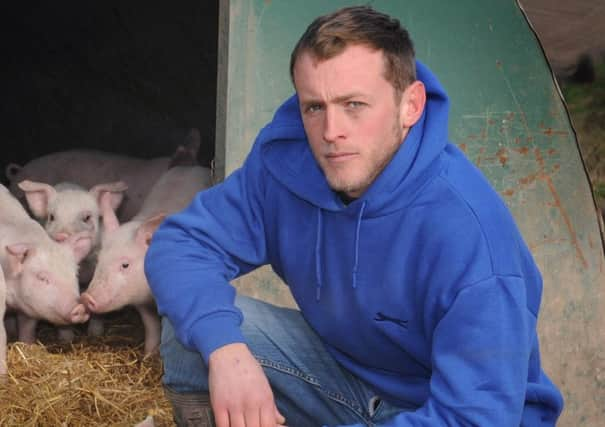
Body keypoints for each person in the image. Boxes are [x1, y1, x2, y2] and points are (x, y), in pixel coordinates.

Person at [145, 5, 564, 427]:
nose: (331, 131)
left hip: (442, 410)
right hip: (345, 380)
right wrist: (227, 353)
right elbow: (180, 245)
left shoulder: (468, 233)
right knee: (195, 331)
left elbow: (478, 418)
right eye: (314, 107)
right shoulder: (287, 165)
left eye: (354, 104)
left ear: (411, 106)